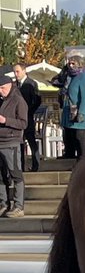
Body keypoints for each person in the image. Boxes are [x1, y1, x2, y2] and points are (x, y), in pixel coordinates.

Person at [0, 68, 28, 218]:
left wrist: (6, 121)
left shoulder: (18, 100)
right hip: (0, 142)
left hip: (11, 142)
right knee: (1, 176)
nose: (0, 91)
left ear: (9, 86)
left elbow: (24, 123)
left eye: (2, 88)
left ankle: (19, 206)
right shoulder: (0, 99)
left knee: (15, 174)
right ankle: (3, 204)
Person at [60, 53, 85, 160]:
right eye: (69, 63)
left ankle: (83, 160)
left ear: (80, 64)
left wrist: (81, 112)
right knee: (69, 137)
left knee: (80, 137)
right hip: (69, 112)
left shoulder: (84, 77)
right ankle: (70, 158)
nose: (70, 66)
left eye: (73, 63)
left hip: (79, 113)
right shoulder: (70, 77)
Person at [13, 62, 42, 172]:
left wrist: (29, 111)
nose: (16, 74)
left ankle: (36, 165)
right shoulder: (15, 85)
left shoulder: (31, 84)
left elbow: (37, 100)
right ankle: (21, 166)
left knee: (31, 140)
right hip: (17, 118)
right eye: (14, 72)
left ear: (24, 71)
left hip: (28, 116)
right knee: (19, 141)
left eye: (18, 71)